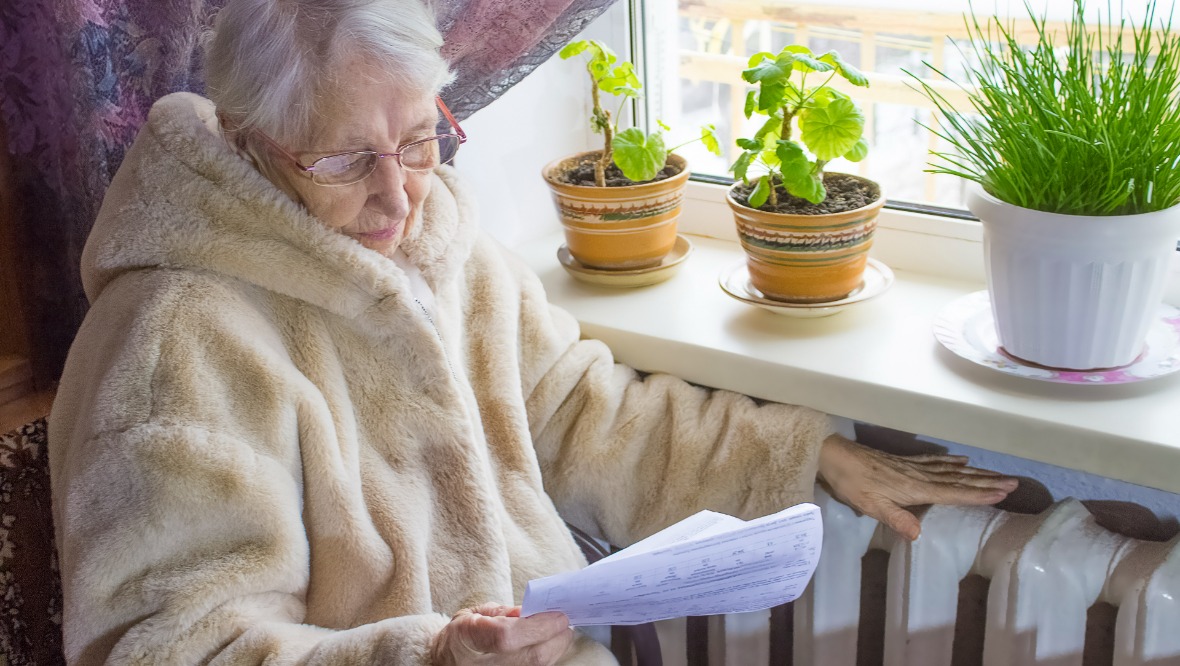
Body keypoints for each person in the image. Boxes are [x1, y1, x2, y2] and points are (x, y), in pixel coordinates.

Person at [47, 0, 1018, 663]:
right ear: (249, 139)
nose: (397, 196)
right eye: (345, 160)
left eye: (420, 138)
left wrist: (801, 456)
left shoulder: (440, 243)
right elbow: (171, 644)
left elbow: (575, 412)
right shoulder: (177, 338)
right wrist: (427, 654)